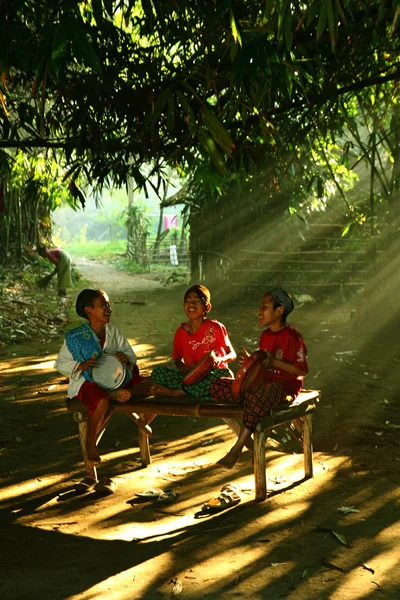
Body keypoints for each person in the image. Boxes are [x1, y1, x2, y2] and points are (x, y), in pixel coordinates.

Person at [211, 287, 309, 469]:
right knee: (219, 385)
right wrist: (249, 363)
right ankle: (248, 407)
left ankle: (237, 449)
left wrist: (274, 363)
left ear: (279, 311)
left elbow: (301, 371)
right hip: (263, 383)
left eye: (264, 307)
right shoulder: (265, 335)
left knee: (257, 398)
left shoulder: (292, 337)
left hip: (284, 388)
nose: (259, 311)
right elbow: (264, 365)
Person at [54, 288, 153, 463]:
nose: (108, 309)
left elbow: (131, 356)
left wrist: (125, 359)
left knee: (150, 385)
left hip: (117, 381)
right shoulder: (76, 337)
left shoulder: (113, 332)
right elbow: (60, 364)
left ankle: (115, 394)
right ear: (89, 310)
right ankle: (91, 441)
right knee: (102, 401)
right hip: (87, 383)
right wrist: (81, 365)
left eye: (108, 305)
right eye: (103, 305)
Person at [152, 284, 236, 398]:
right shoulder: (180, 332)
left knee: (226, 374)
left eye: (196, 301)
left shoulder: (216, 328)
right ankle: (195, 392)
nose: (191, 304)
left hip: (212, 376)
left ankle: (177, 392)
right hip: (192, 379)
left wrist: (220, 359)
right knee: (158, 372)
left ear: (207, 307)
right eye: (187, 300)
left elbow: (232, 354)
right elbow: (177, 359)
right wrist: (183, 368)